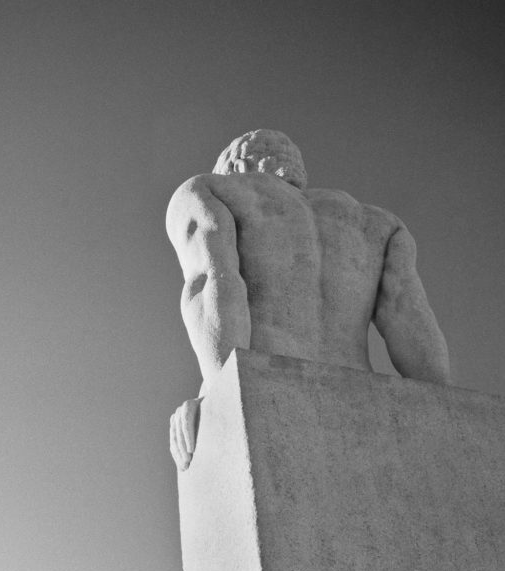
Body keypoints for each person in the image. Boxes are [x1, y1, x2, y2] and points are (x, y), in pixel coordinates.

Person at [167, 129, 451, 470]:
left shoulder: (210, 191)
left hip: (271, 394)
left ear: (238, 167)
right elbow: (407, 314)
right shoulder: (381, 226)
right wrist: (447, 408)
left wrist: (219, 395)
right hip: (365, 404)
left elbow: (214, 283)